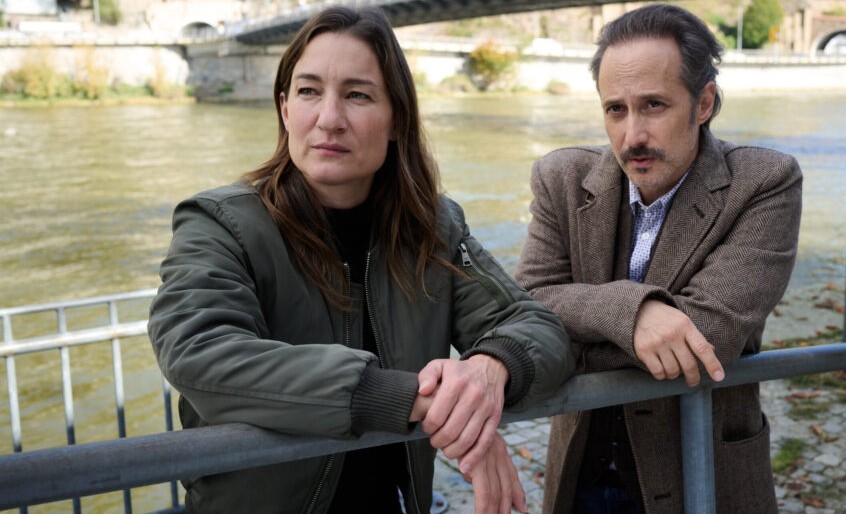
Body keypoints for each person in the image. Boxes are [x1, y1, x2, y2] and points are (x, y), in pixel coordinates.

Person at [148, 5, 574, 514]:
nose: (329, 119)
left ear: (396, 119)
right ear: (285, 110)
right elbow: (199, 353)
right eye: (309, 91)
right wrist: (418, 400)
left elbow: (536, 327)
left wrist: (489, 371)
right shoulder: (220, 224)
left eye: (357, 95)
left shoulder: (431, 228)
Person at [515, 4, 802, 514]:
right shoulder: (560, 179)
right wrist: (635, 313)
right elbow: (528, 302)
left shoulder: (765, 183)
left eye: (653, 105)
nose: (632, 137)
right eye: (615, 109)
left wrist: (570, 344)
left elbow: (708, 335)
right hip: (580, 475)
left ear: (703, 103)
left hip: (703, 474)